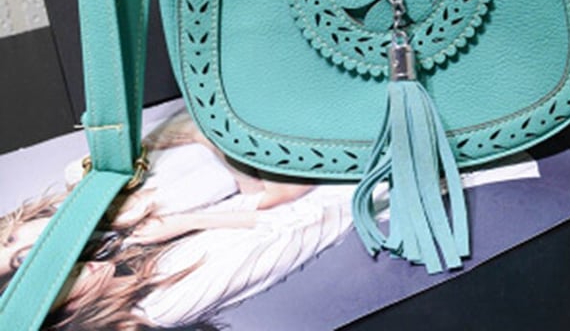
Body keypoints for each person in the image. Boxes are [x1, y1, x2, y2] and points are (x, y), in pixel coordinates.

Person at [0, 109, 355, 330]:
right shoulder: (163, 299)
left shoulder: (91, 186)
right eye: (22, 264)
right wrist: (189, 219)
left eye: (10, 239)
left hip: (284, 111)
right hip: (345, 172)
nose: (35, 247)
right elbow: (301, 218)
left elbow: (202, 113)